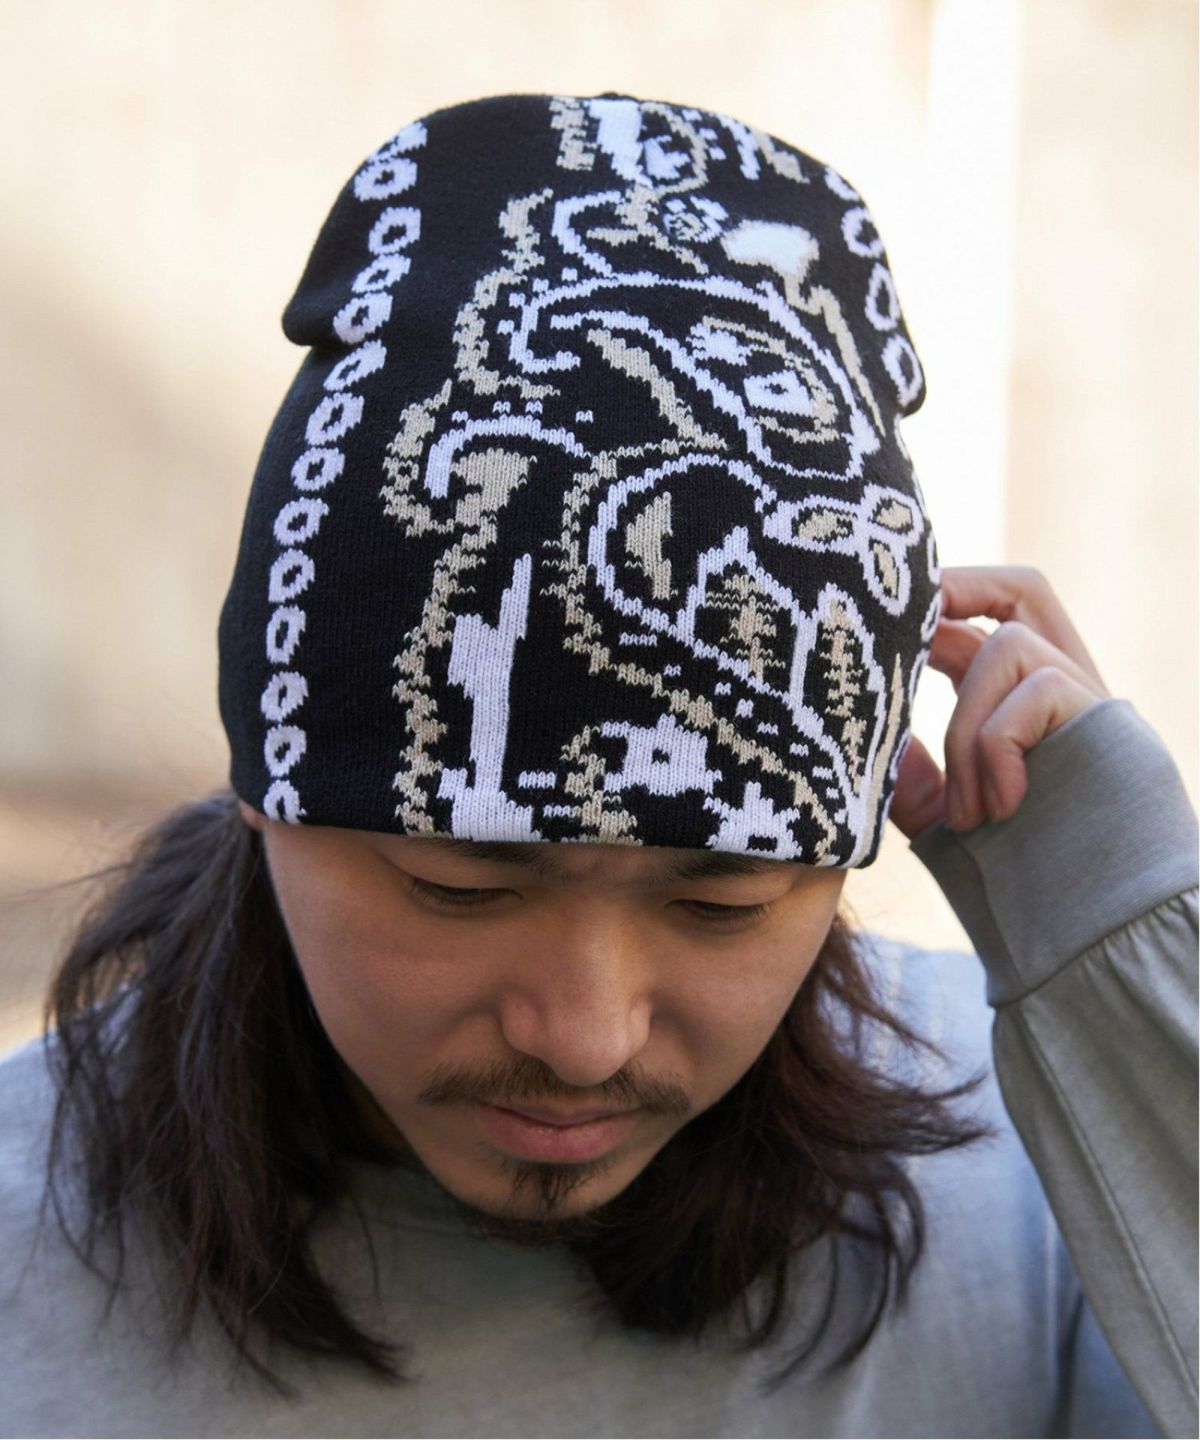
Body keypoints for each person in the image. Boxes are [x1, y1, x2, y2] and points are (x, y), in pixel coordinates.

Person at [1, 90, 1195, 1439]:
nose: (583, 1035)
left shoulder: (1032, 1162)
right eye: (460, 887)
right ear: (262, 795)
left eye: (721, 903)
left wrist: (1139, 960)